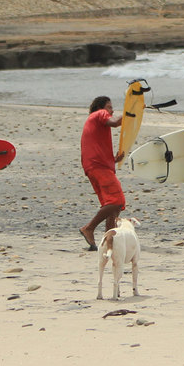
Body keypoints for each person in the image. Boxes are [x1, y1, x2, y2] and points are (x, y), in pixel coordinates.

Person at [79, 95, 125, 251]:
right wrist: (131, 111)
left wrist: (113, 160)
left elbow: (96, 147)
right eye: (109, 107)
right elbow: (116, 123)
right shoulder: (99, 114)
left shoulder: (95, 121)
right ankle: (89, 228)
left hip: (97, 166)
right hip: (98, 167)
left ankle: (108, 242)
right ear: (101, 107)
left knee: (113, 206)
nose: (111, 110)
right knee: (116, 201)